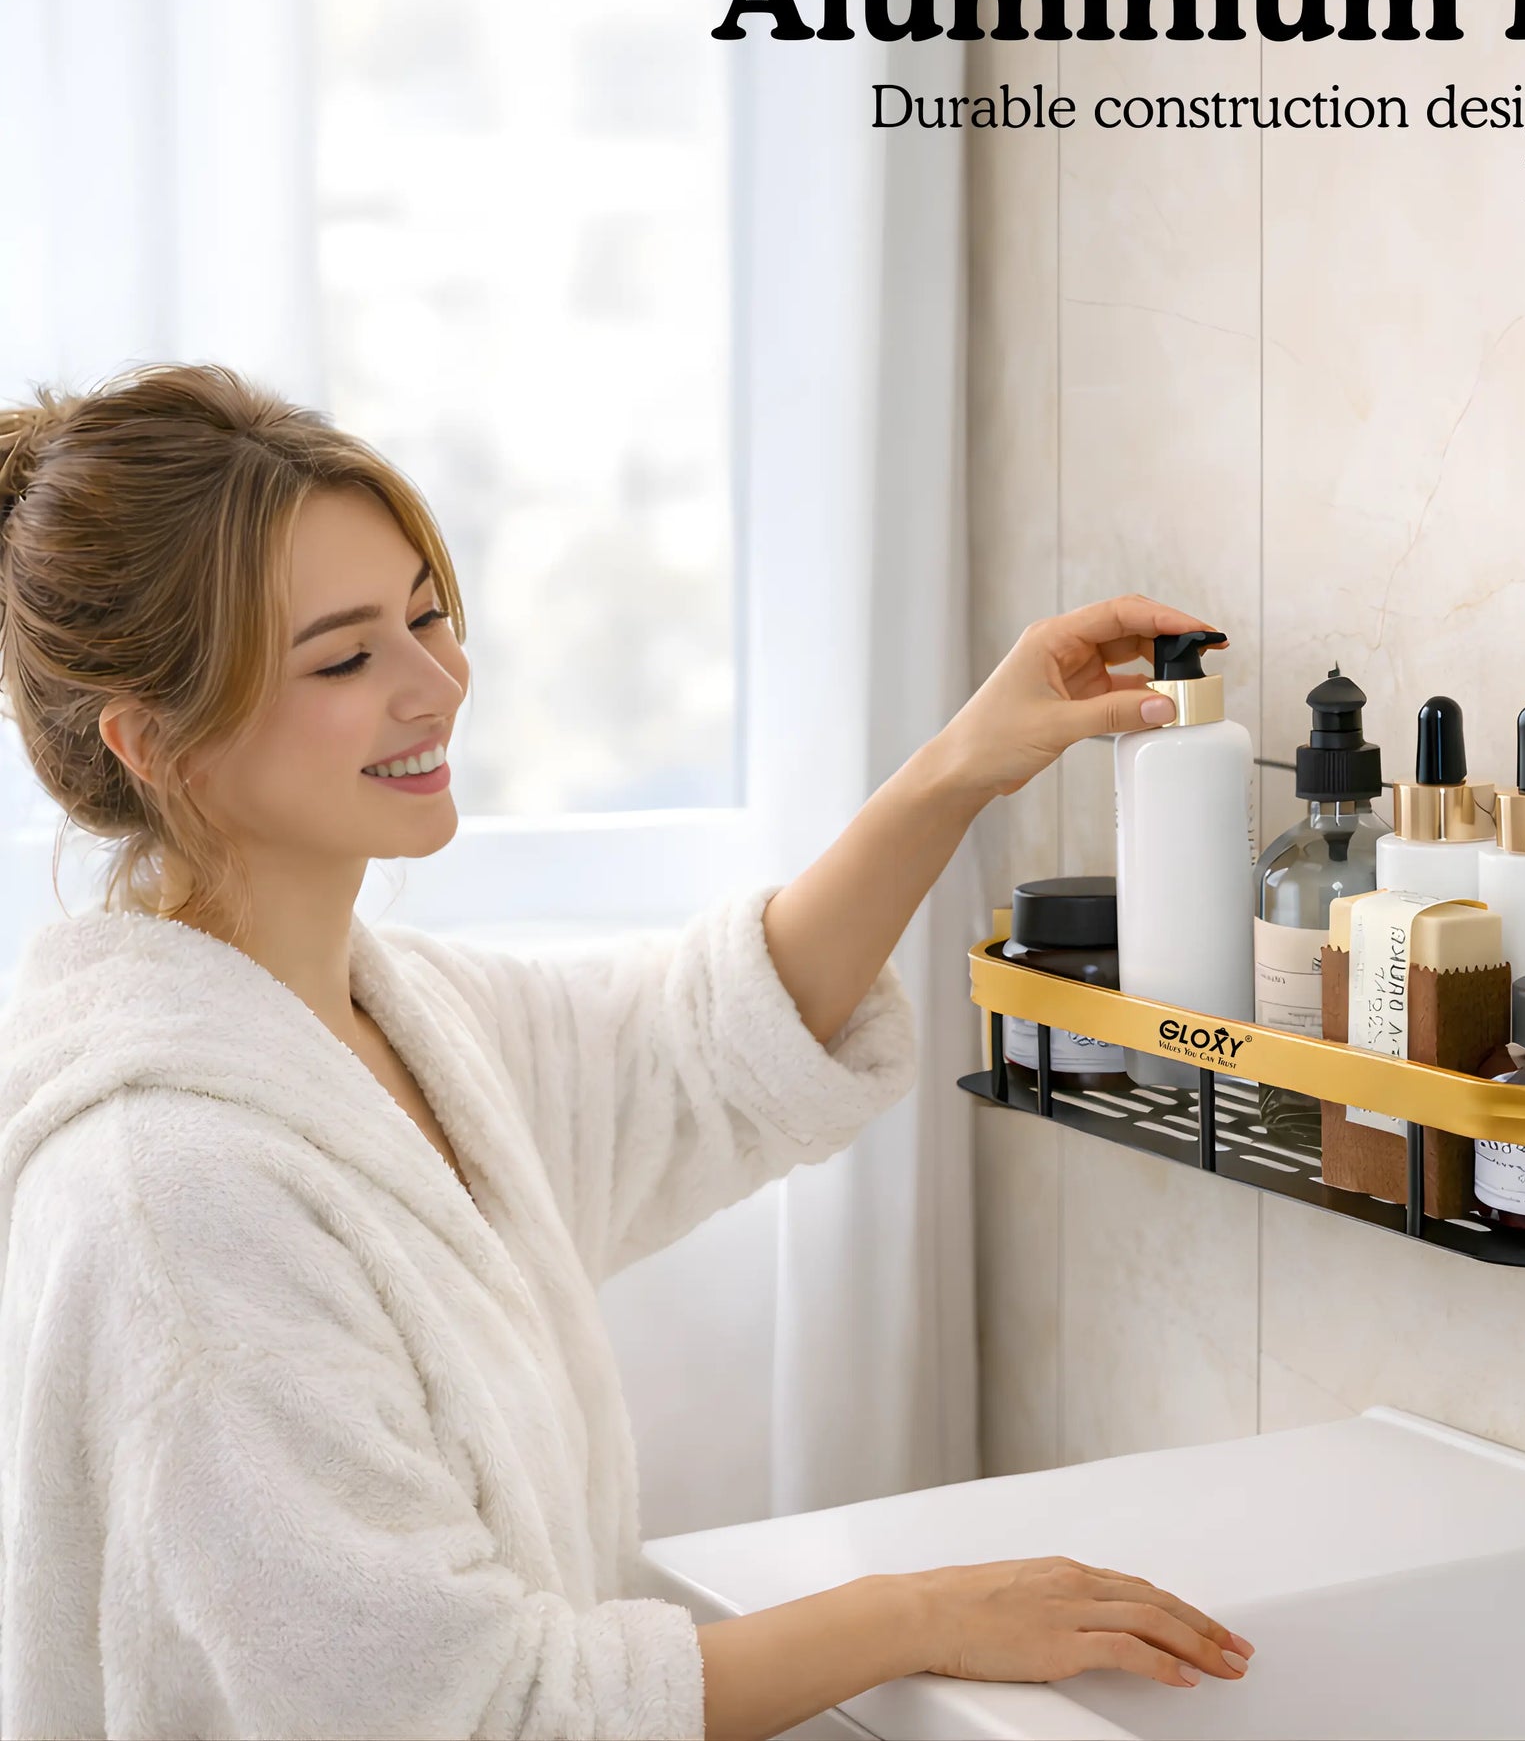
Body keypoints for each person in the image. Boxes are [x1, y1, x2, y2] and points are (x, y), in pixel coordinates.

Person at [0, 362, 1253, 1741]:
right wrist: (916, 1614)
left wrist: (961, 761)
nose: (438, 684)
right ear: (154, 740)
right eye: (346, 656)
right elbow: (469, 1712)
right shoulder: (176, 1202)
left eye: (429, 616)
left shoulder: (380, 1024)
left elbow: (696, 1052)